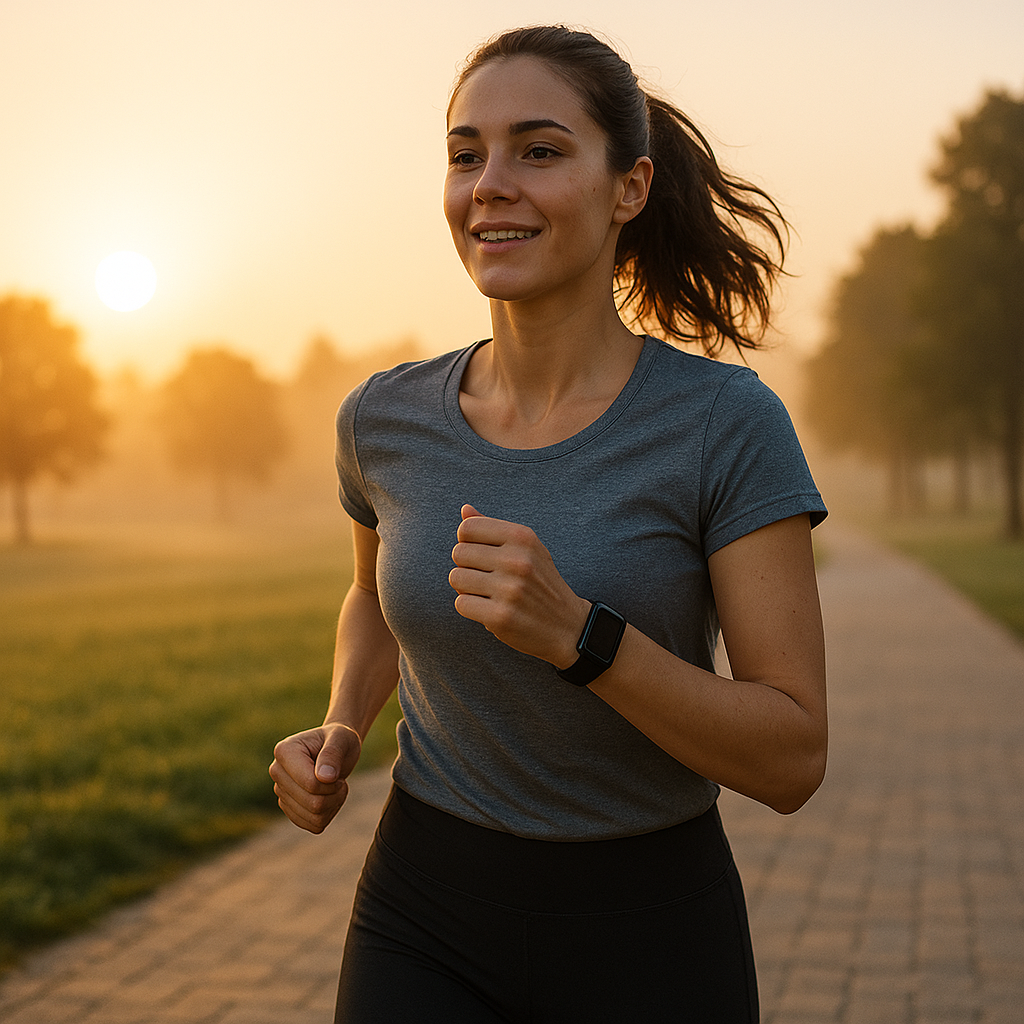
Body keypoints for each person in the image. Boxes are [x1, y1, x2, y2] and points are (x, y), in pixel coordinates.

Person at [270, 24, 827, 1023]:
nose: (488, 182)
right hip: (421, 909)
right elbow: (371, 593)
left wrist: (581, 637)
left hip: (651, 930)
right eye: (464, 154)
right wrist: (344, 722)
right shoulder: (381, 419)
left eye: (539, 149)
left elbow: (790, 756)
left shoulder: (724, 424)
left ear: (629, 187)